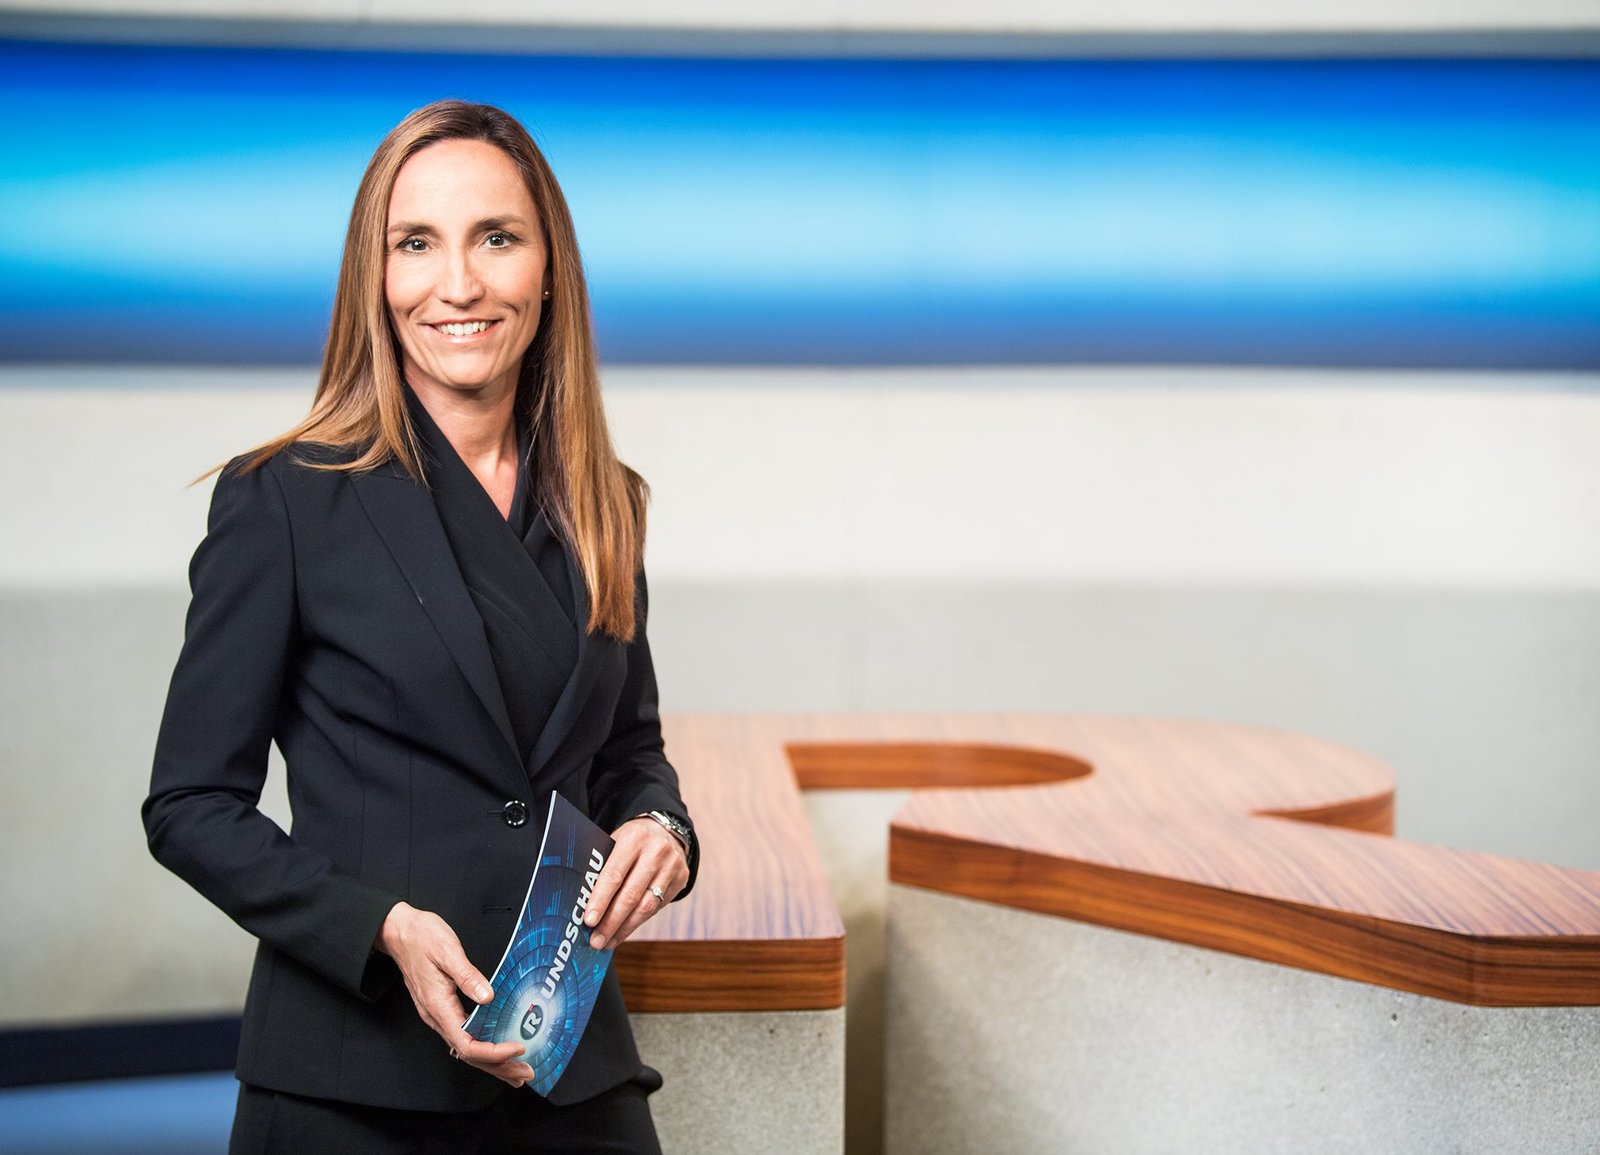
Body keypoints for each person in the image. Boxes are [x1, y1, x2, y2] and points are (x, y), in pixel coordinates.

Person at [142, 99, 698, 1154]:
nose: (459, 283)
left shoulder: (606, 502)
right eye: (416, 244)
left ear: (549, 269)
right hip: (351, 1078)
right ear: (376, 275)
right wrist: (381, 929)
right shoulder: (283, 499)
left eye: (496, 238)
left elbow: (630, 752)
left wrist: (663, 831)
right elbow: (189, 806)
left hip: (564, 1063)